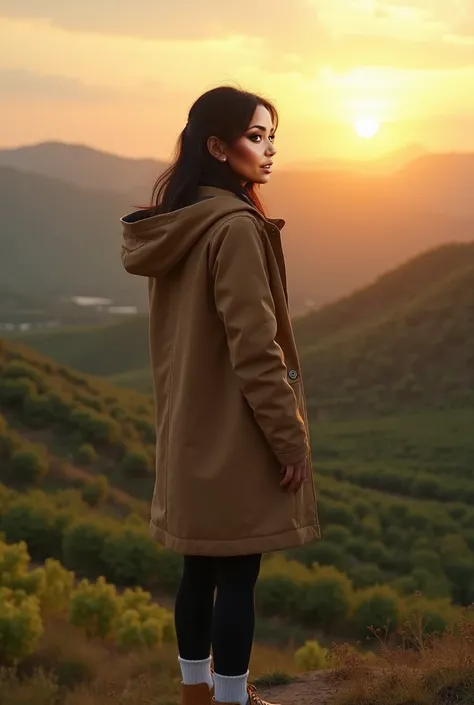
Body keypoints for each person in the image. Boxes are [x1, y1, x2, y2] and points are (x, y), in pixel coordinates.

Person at [120, 86, 320, 705]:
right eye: (256, 137)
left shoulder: (180, 224)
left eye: (271, 138)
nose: (269, 151)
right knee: (238, 573)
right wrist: (289, 439)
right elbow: (255, 350)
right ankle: (232, 702)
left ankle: (197, 697)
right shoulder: (234, 227)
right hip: (237, 432)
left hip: (186, 429)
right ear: (216, 146)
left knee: (196, 569)